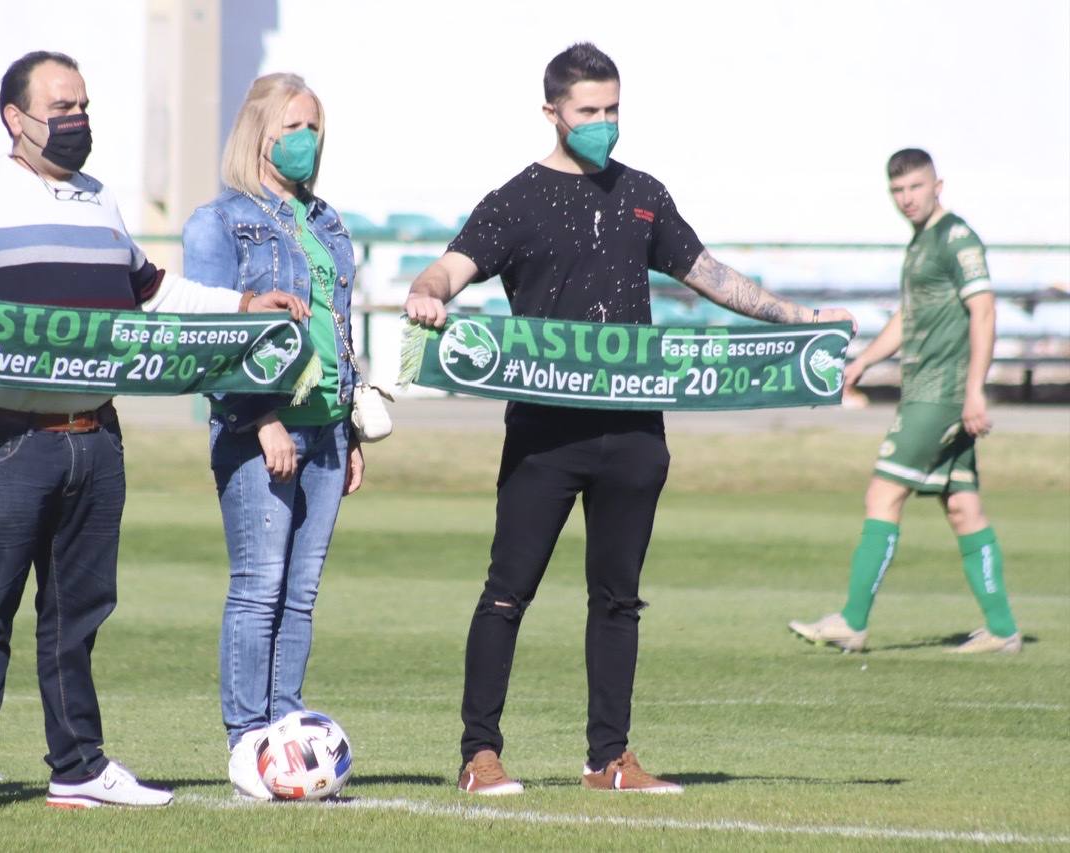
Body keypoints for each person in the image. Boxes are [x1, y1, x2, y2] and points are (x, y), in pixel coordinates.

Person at [403, 42, 854, 795]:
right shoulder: (513, 200)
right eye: (588, 112)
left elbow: (708, 274)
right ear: (552, 112)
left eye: (613, 110)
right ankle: (479, 755)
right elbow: (450, 266)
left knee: (618, 599)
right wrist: (429, 291)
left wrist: (801, 318)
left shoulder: (644, 193)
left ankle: (608, 759)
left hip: (634, 432)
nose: (603, 124)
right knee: (507, 592)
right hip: (545, 436)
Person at [0, 51, 306, 817]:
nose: (77, 120)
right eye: (61, 107)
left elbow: (153, 290)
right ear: (17, 118)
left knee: (78, 614)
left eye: (83, 106)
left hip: (95, 440)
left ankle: (78, 763)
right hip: (4, 442)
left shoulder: (99, 201)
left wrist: (242, 304)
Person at [182, 72, 363, 801]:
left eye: (314, 126)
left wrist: (349, 430)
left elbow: (336, 328)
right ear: (259, 132)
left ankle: (288, 726)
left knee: (302, 591)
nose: (306, 140)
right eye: (293, 126)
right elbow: (206, 337)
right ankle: (247, 739)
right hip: (262, 430)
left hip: (325, 429)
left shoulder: (327, 222)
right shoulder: (219, 222)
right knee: (259, 588)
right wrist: (262, 418)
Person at [789, 148, 1019, 655]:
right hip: (932, 392)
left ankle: (852, 621)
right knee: (962, 508)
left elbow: (983, 311)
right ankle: (1003, 630)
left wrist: (975, 390)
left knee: (882, 495)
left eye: (915, 187)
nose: (906, 198)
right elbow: (909, 318)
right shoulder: (921, 245)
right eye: (897, 190)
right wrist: (864, 362)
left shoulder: (956, 239)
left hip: (940, 395)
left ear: (939, 184)